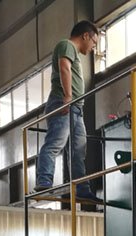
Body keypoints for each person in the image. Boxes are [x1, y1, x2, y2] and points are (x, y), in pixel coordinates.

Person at [35, 20, 101, 200]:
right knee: (55, 142)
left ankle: (82, 189)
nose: (93, 47)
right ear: (85, 36)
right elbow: (64, 67)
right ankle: (44, 181)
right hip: (64, 103)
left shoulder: (73, 52)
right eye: (94, 42)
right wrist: (68, 97)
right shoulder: (67, 45)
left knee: (78, 151)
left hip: (76, 109)